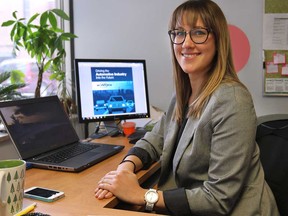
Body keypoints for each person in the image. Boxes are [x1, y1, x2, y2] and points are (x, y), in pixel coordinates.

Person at [95, 0, 279, 215]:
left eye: (199, 33)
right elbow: (155, 139)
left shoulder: (232, 100)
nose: (186, 43)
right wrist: (125, 169)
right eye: (179, 33)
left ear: (219, 41)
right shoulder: (183, 94)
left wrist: (140, 195)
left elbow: (218, 198)